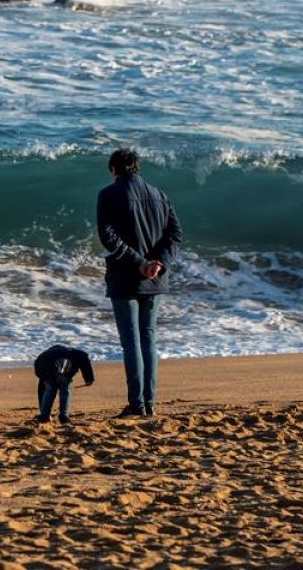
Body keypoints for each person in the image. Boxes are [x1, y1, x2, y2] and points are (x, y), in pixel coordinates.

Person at [97, 148, 183, 418]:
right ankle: (149, 403)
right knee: (149, 338)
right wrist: (159, 263)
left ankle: (136, 403)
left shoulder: (108, 194)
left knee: (131, 341)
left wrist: (139, 262)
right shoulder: (159, 195)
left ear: (114, 169)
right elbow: (175, 234)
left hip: (126, 276)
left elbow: (107, 236)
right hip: (155, 277)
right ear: (137, 167)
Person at [34, 344, 95, 424]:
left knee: (50, 389)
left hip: (39, 365)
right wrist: (89, 379)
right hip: (49, 365)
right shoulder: (79, 354)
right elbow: (85, 362)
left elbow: (41, 389)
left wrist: (42, 411)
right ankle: (64, 416)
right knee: (65, 389)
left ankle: (45, 416)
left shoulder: (57, 352)